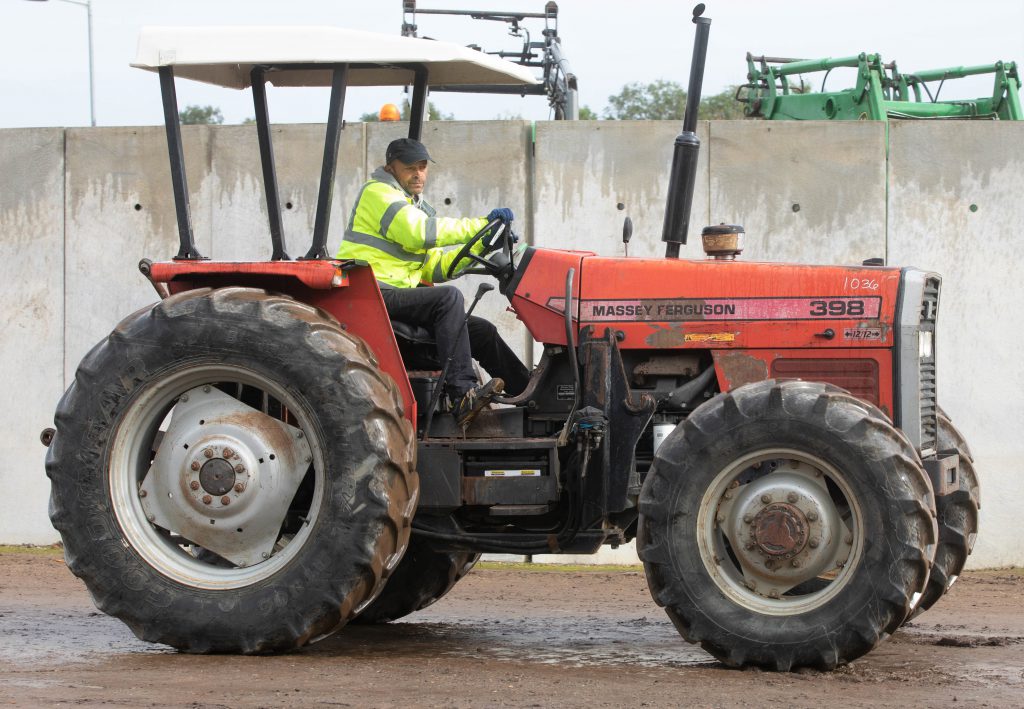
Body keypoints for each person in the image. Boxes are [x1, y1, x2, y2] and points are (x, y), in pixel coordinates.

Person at [337, 137, 531, 426]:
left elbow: (437, 269)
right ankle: (462, 395)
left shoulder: (416, 207)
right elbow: (419, 234)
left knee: (482, 331)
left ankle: (530, 396)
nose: (418, 174)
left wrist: (482, 246)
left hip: (397, 294)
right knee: (448, 298)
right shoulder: (377, 193)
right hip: (372, 292)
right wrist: (480, 225)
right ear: (391, 168)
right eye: (410, 168)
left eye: (423, 167)